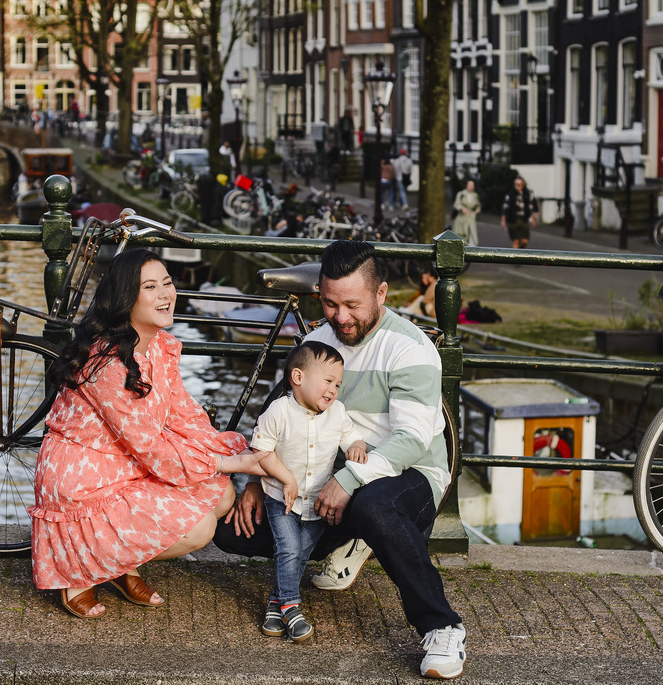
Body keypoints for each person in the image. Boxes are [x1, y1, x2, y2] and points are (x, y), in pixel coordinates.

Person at [214, 240, 466, 680]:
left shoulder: (409, 349)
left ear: (381, 294)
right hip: (326, 475)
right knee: (234, 533)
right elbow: (280, 416)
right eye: (330, 304)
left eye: (352, 304)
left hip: (410, 474)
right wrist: (256, 482)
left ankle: (442, 626)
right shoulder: (316, 343)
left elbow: (410, 441)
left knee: (375, 506)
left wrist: (349, 480)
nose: (341, 317)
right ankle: (354, 537)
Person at [29, 250, 268, 619]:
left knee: (221, 494)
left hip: (128, 466)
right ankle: (80, 573)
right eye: (151, 287)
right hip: (85, 482)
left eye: (167, 283)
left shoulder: (159, 346)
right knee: (201, 528)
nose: (165, 294)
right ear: (127, 299)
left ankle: (120, 563)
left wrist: (240, 450)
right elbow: (152, 449)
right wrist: (233, 463)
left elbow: (184, 416)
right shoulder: (106, 363)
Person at [250, 341, 368, 644]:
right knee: (289, 548)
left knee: (300, 553)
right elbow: (261, 451)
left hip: (317, 501)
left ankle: (275, 604)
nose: (333, 390)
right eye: (328, 380)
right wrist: (287, 478)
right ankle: (291, 607)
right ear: (298, 378)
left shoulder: (337, 412)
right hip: (281, 498)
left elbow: (352, 437)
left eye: (337, 384)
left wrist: (356, 446)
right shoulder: (279, 411)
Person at [500, 176, 539, 249]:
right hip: (513, 220)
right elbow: (505, 208)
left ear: (522, 185)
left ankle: (520, 252)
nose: (518, 186)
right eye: (516, 184)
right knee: (515, 241)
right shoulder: (510, 195)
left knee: (525, 241)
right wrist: (503, 220)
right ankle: (514, 255)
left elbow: (531, 206)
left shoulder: (526, 194)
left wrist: (534, 218)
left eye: (519, 184)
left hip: (524, 219)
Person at [452, 180, 481, 246]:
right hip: (461, 217)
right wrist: (462, 208)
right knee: (460, 234)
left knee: (472, 235)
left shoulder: (475, 195)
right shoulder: (461, 194)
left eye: (472, 185)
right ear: (467, 185)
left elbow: (478, 205)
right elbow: (456, 204)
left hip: (471, 217)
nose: (470, 186)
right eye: (469, 185)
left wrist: (476, 211)